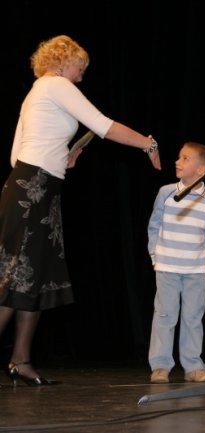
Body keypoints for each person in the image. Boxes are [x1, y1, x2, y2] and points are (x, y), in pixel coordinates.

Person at [0, 34, 161, 386]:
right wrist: (147, 143)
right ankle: (19, 359)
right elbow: (103, 125)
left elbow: (16, 156)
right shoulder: (55, 83)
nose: (81, 77)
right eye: (80, 68)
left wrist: (62, 158)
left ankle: (20, 360)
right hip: (34, 190)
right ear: (62, 60)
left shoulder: (36, 93)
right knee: (16, 275)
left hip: (34, 186)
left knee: (36, 277)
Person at [147, 142, 205, 384]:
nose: (178, 162)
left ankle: (193, 366)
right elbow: (154, 225)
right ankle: (160, 365)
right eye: (179, 157)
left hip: (196, 269)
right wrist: (155, 256)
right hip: (167, 266)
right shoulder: (166, 192)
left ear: (201, 170)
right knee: (165, 315)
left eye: (185, 158)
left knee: (193, 317)